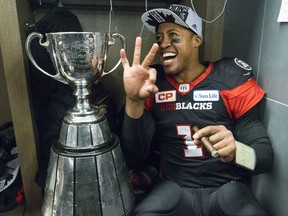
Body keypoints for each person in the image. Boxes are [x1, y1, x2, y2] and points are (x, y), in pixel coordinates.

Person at [120, 4, 273, 216]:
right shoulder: (152, 82)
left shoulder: (229, 77)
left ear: (196, 40)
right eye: (159, 37)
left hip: (227, 188)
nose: (163, 43)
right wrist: (134, 100)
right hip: (173, 188)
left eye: (173, 36)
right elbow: (133, 158)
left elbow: (264, 157)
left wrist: (238, 151)